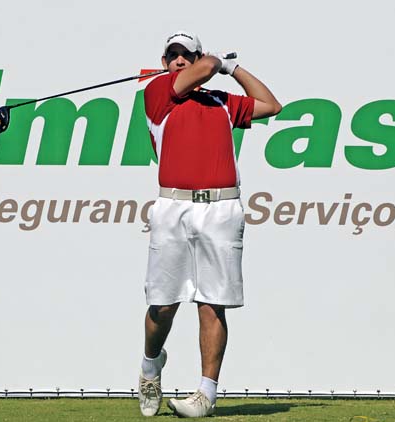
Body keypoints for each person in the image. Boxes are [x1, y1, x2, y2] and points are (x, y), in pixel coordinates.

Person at [138, 30, 281, 418]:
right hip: (173, 207)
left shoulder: (221, 103)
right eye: (173, 55)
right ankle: (152, 365)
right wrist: (214, 61)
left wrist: (234, 69)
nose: (179, 60)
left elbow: (271, 104)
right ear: (165, 63)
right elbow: (198, 72)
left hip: (221, 209)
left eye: (187, 54)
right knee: (162, 305)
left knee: (212, 304)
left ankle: (206, 393)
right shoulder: (157, 93)